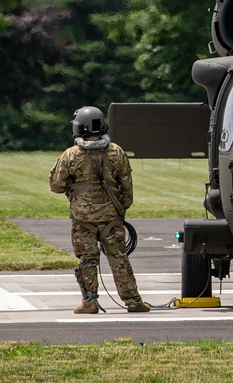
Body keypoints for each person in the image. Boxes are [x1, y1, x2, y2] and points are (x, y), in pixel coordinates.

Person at [49, 106, 149, 314]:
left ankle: (89, 303)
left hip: (82, 219)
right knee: (119, 259)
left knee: (87, 260)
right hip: (111, 217)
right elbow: (127, 188)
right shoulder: (116, 152)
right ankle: (133, 301)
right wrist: (121, 209)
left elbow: (56, 186)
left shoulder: (70, 155)